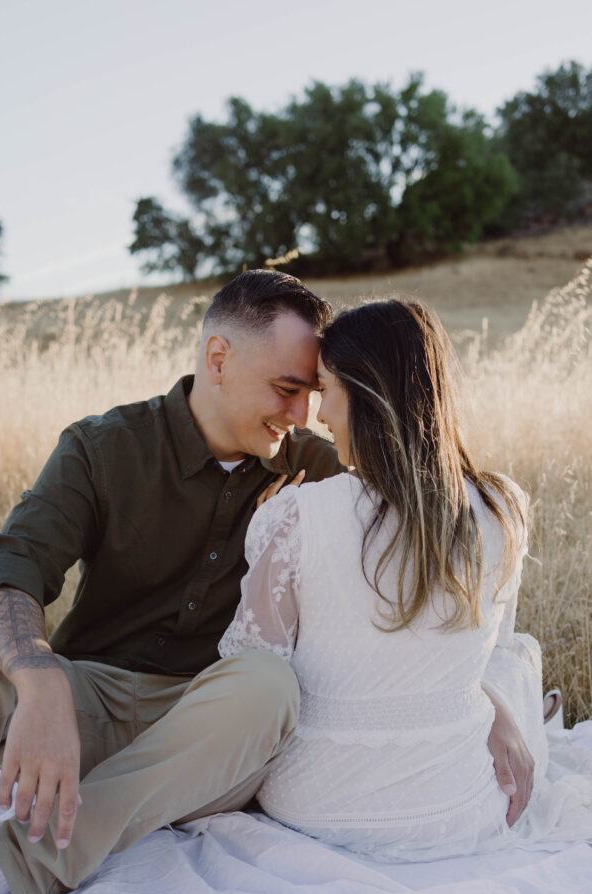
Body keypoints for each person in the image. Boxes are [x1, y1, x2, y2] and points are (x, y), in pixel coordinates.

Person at [0, 275, 533, 894]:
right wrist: (37, 683)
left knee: (265, 682)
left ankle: (20, 864)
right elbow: (5, 575)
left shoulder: (319, 473)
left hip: (218, 739)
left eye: (314, 394)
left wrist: (482, 697)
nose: (301, 416)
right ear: (217, 359)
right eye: (286, 389)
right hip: (86, 709)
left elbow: (437, 573)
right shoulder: (102, 447)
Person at [220, 297, 592, 860]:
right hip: (459, 809)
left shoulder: (294, 516)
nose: (319, 416)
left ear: (366, 394)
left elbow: (247, 681)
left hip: (312, 803)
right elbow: (487, 647)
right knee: (512, 659)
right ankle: (523, 718)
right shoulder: (503, 507)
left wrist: (265, 538)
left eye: (326, 391)